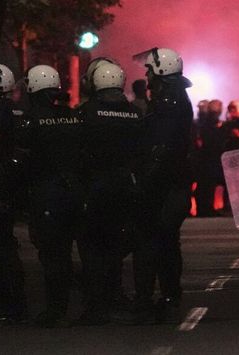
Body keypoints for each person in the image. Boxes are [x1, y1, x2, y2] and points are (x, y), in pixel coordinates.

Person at [130, 47, 193, 324]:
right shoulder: (176, 98)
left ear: (161, 71)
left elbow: (161, 146)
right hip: (173, 182)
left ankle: (148, 299)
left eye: (150, 70)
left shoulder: (168, 102)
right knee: (168, 242)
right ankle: (169, 294)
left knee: (149, 241)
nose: (146, 75)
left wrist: (144, 181)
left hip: (163, 185)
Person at [78, 58, 143, 325]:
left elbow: (78, 152)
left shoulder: (86, 113)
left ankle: (96, 303)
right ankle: (115, 293)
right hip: (126, 186)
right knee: (117, 244)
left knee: (92, 246)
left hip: (95, 187)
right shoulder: (135, 114)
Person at [17, 65, 83, 327]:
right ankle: (77, 303)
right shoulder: (73, 117)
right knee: (69, 250)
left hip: (47, 193)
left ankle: (55, 309)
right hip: (74, 192)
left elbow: (21, 160)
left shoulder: (31, 120)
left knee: (51, 253)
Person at [0, 63, 27, 324]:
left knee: (1, 248)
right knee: (5, 245)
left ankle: (9, 303)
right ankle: (13, 302)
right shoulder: (19, 110)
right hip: (12, 185)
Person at [193, 99, 226, 217]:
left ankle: (205, 208)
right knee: (207, 184)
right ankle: (205, 208)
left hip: (206, 158)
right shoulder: (210, 124)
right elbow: (211, 141)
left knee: (207, 185)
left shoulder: (204, 123)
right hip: (208, 158)